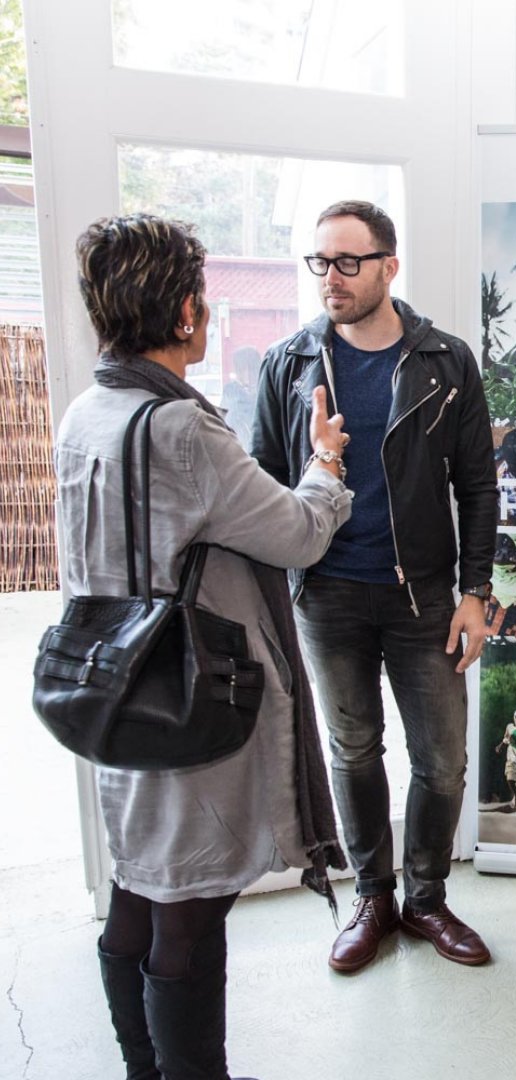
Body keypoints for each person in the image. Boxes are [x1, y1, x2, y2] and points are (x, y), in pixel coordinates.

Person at [58, 214, 352, 1079]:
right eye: (204, 297)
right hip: (186, 692)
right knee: (189, 904)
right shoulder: (182, 430)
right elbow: (297, 534)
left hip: (113, 680)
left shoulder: (89, 411)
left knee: (139, 885)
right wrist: (324, 465)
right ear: (186, 312)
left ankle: (145, 1072)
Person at [252, 200, 497, 972]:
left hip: (423, 595)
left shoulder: (446, 361)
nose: (332, 278)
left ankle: (427, 899)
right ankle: (373, 897)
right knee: (353, 750)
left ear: (390, 266)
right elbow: (261, 485)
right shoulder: (288, 364)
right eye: (320, 262)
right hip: (326, 594)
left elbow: (479, 489)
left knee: (443, 759)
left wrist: (474, 591)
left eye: (348, 262)